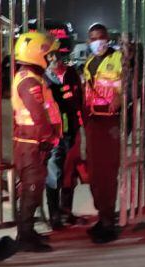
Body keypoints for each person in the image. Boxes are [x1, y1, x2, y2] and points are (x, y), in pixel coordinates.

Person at [11, 30, 62, 252]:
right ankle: (24, 237)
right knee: (31, 190)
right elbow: (38, 114)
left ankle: (28, 231)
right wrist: (49, 137)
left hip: (32, 143)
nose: (51, 59)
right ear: (34, 54)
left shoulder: (30, 77)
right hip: (32, 144)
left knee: (33, 189)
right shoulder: (29, 81)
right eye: (48, 54)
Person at [82, 23, 124, 244]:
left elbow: (130, 82)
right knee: (95, 174)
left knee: (107, 173)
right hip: (93, 122)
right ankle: (102, 215)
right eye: (92, 38)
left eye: (100, 37)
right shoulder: (89, 63)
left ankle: (109, 221)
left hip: (110, 123)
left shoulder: (118, 59)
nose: (97, 41)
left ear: (107, 38)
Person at [44, 29, 83, 230]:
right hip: (53, 134)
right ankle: (54, 216)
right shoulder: (42, 78)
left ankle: (67, 211)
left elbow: (80, 101)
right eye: (49, 54)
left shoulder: (71, 74)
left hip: (72, 131)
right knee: (53, 174)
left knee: (70, 172)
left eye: (56, 53)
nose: (54, 58)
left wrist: (80, 127)